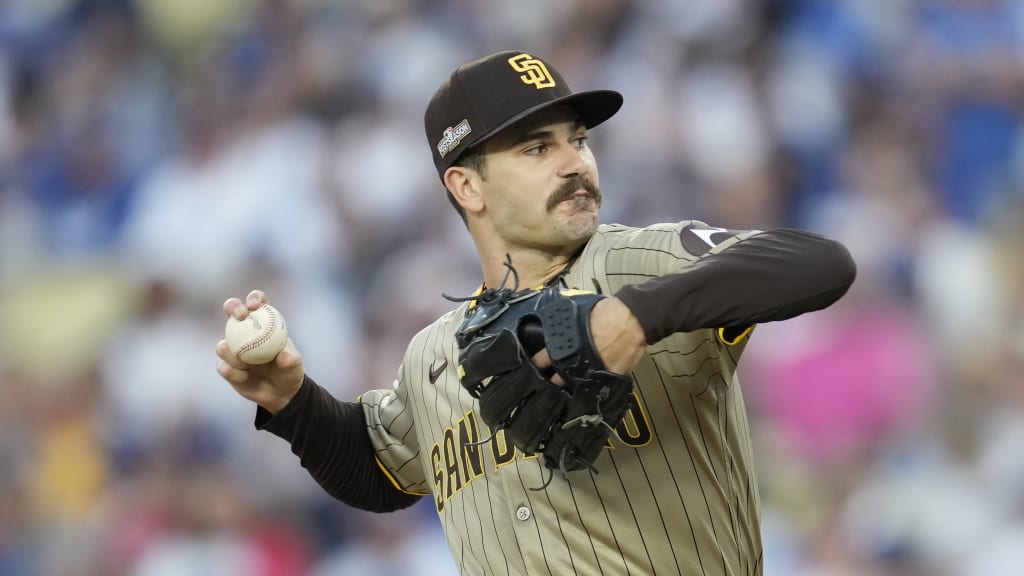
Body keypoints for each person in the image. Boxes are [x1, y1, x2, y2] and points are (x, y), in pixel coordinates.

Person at [216, 50, 857, 576]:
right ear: (466, 185)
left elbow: (821, 263)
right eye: (536, 148)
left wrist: (634, 316)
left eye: (578, 140)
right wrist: (292, 401)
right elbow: (378, 472)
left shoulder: (639, 262)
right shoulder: (433, 354)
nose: (575, 162)